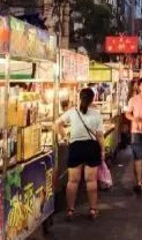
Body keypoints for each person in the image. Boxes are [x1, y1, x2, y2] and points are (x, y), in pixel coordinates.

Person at [55, 88, 104, 220]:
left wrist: (65, 137)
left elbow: (57, 124)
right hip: (91, 147)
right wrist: (103, 150)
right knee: (91, 181)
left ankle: (70, 210)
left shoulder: (72, 112)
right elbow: (99, 136)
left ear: (79, 98)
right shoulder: (96, 114)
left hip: (75, 147)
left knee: (72, 181)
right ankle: (93, 210)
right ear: (92, 99)